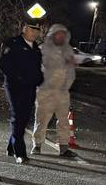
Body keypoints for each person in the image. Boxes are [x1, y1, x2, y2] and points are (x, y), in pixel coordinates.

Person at [0, 20, 44, 164]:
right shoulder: (13, 43)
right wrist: (17, 78)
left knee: (24, 119)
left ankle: (11, 146)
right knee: (17, 116)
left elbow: (37, 67)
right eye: (32, 29)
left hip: (30, 87)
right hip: (14, 87)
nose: (35, 33)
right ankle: (20, 152)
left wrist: (39, 79)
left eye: (37, 30)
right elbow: (2, 64)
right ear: (24, 29)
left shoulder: (36, 48)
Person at [32, 23, 77, 157]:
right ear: (52, 35)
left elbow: (71, 72)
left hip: (62, 92)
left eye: (63, 34)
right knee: (42, 119)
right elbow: (37, 69)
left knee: (63, 120)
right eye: (58, 34)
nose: (61, 37)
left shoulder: (68, 51)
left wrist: (66, 86)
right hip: (45, 91)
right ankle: (37, 145)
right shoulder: (42, 50)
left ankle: (64, 147)